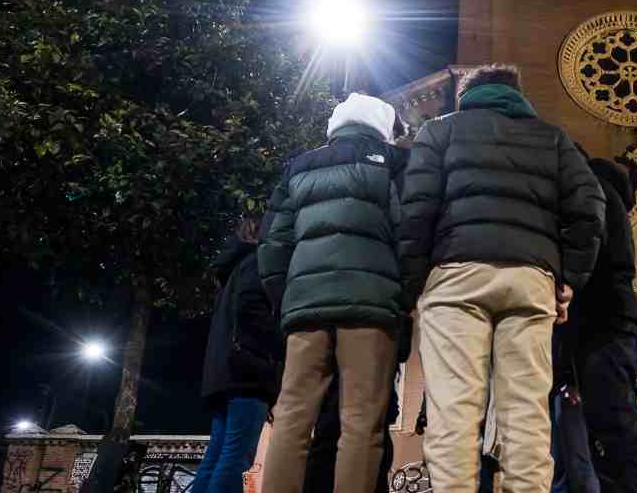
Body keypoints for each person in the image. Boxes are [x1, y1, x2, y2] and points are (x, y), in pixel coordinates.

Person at [399, 64, 606, 493]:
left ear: (466, 97)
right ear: (518, 95)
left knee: (453, 415)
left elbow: (415, 212)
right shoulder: (552, 139)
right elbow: (591, 207)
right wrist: (570, 279)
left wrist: (411, 285)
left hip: (456, 278)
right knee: (526, 419)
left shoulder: (439, 132)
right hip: (530, 281)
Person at [258, 92, 411, 493]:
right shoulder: (393, 165)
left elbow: (272, 245)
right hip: (372, 308)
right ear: (382, 128)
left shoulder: (297, 168)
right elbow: (408, 236)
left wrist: (287, 300)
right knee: (361, 422)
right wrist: (404, 297)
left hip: (305, 309)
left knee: (292, 417)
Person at [553, 149, 637, 493]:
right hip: (611, 323)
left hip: (602, 324)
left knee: (614, 431)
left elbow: (588, 254)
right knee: (610, 430)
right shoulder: (604, 190)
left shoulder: (593, 189)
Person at [193, 216, 281, 493]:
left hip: (222, 374)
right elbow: (251, 309)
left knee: (216, 456)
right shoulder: (257, 262)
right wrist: (283, 341)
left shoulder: (232, 270)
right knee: (237, 456)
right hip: (248, 372)